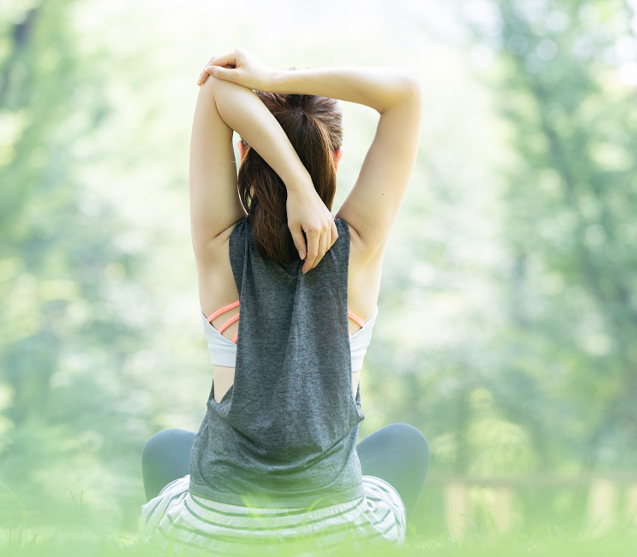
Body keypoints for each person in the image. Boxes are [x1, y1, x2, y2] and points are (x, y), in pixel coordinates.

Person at [138, 49, 428, 552]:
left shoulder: (217, 246)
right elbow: (404, 94)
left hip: (213, 532)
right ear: (336, 158)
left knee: (165, 448)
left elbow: (214, 88)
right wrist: (274, 80)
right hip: (339, 533)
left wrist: (292, 181)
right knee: (405, 443)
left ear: (246, 153)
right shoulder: (357, 248)